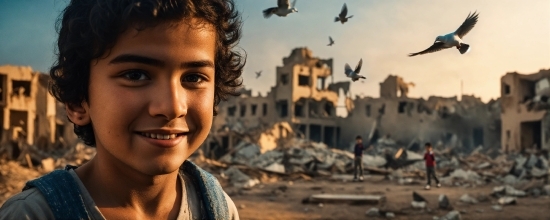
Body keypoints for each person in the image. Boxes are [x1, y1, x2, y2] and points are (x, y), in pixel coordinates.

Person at [0, 0, 245, 219]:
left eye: (193, 77)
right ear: (77, 101)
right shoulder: (33, 214)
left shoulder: (218, 209)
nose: (172, 107)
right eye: (136, 75)